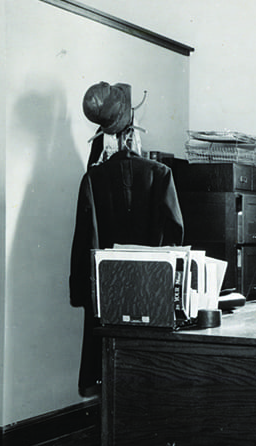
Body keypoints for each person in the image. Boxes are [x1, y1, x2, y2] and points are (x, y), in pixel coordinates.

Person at [69, 81, 185, 395]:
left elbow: (85, 237)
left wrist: (81, 291)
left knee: (108, 359)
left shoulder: (94, 177)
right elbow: (176, 235)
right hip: (152, 283)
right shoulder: (159, 173)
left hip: (106, 286)